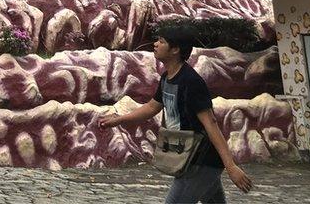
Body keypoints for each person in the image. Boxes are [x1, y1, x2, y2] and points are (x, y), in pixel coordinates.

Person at [99, 25, 254, 203]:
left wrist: (231, 166)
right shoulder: (167, 78)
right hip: (190, 158)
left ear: (175, 49)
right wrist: (118, 120)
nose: (155, 44)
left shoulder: (191, 82)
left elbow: (210, 123)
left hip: (199, 161)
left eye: (162, 41)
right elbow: (151, 108)